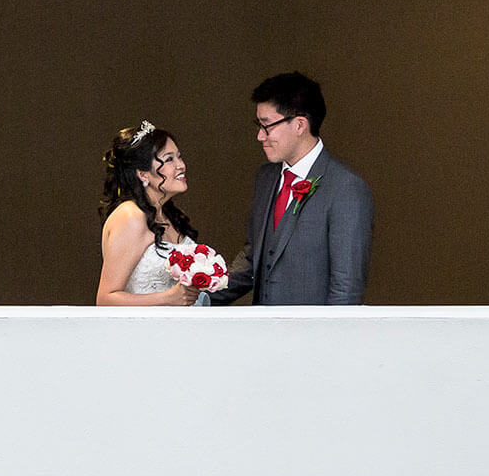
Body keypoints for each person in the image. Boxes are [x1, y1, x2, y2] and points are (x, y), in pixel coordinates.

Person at [208, 72, 373, 306]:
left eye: (266, 126)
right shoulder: (265, 178)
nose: (259, 136)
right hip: (262, 334)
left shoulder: (346, 189)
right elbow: (254, 258)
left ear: (299, 124)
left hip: (312, 338)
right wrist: (199, 298)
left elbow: (346, 289)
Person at [96, 121, 204, 306]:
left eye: (179, 157)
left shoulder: (168, 215)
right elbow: (106, 299)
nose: (181, 166)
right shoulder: (131, 216)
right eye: (169, 159)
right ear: (143, 174)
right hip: (145, 332)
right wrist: (170, 298)